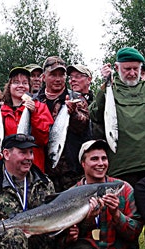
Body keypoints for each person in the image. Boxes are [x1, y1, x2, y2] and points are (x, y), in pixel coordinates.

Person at [58, 140, 144, 249]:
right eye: (94, 159)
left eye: (104, 159)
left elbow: (134, 233)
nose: (100, 163)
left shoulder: (123, 189)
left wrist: (117, 215)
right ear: (83, 163)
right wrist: (86, 222)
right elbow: (61, 242)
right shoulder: (71, 194)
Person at [91, 47, 145, 186]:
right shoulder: (109, 90)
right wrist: (104, 84)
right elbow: (95, 114)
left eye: (136, 69)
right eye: (127, 69)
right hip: (121, 169)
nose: (132, 73)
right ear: (117, 67)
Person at [34, 56, 91, 191]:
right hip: (41, 171)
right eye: (53, 75)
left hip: (72, 171)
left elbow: (84, 125)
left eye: (62, 74)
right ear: (43, 77)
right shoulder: (35, 101)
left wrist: (74, 113)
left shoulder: (77, 98)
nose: (58, 79)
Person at [0, 66, 53, 171]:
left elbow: (44, 139)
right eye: (16, 82)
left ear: (30, 86)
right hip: (8, 168)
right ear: (9, 86)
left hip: (34, 168)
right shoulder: (0, 111)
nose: (20, 86)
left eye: (25, 83)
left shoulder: (40, 107)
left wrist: (34, 114)